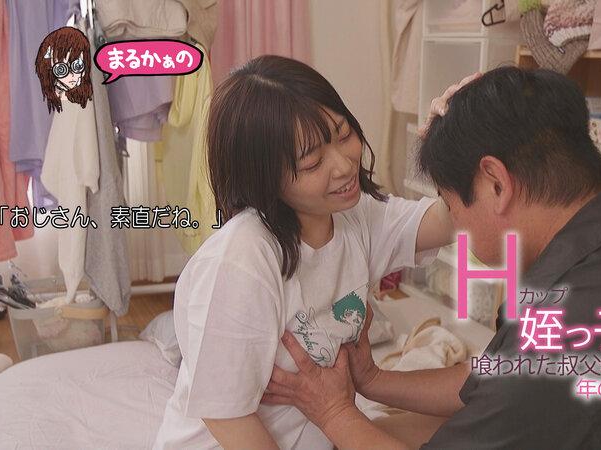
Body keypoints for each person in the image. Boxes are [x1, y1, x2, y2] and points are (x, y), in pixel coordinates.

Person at [264, 66, 601, 449]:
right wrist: (374, 381)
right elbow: (497, 381)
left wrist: (334, 412)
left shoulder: (574, 327)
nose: (454, 224)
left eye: (449, 203)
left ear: (496, 183)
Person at [152, 55, 454, 449]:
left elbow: (451, 220)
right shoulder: (243, 260)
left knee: (471, 429)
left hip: (323, 433)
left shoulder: (354, 216)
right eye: (312, 163)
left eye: (343, 134)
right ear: (264, 177)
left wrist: (455, 143)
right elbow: (227, 417)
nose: (344, 165)